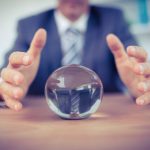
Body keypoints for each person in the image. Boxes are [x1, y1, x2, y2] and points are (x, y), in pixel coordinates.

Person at [0, 0, 150, 111]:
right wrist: (9, 85)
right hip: (43, 120)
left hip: (106, 118)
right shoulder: (28, 25)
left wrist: (139, 82)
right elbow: (9, 70)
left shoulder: (114, 18)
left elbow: (131, 60)